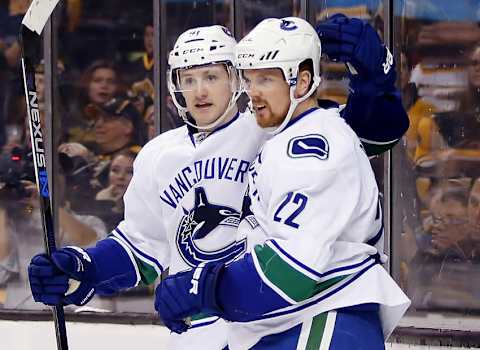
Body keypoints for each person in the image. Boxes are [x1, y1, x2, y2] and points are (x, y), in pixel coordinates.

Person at [28, 16, 409, 350]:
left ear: (236, 77)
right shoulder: (158, 156)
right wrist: (83, 269)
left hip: (277, 310)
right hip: (205, 326)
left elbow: (367, 134)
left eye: (211, 76)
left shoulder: (272, 125)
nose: (200, 91)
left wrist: (374, 78)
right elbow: (142, 246)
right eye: (188, 79)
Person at [154, 17, 410, 349]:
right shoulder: (289, 131)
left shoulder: (312, 149)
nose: (253, 92)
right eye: (249, 79)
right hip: (288, 322)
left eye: (266, 79)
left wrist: (201, 287)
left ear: (302, 82)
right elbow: (371, 131)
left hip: (321, 318)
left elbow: (290, 273)